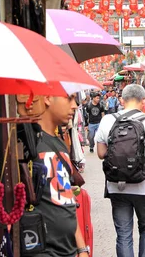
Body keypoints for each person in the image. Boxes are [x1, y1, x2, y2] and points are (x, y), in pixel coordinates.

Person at [95, 84, 145, 257]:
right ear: (144, 101)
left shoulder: (108, 120)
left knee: (123, 234)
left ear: (122, 100)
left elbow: (100, 153)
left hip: (116, 185)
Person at [33, 93, 89, 257]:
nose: (74, 105)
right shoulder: (29, 144)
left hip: (68, 249)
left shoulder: (61, 144)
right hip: (42, 249)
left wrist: (81, 248)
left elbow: (67, 199)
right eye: (68, 98)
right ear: (47, 98)